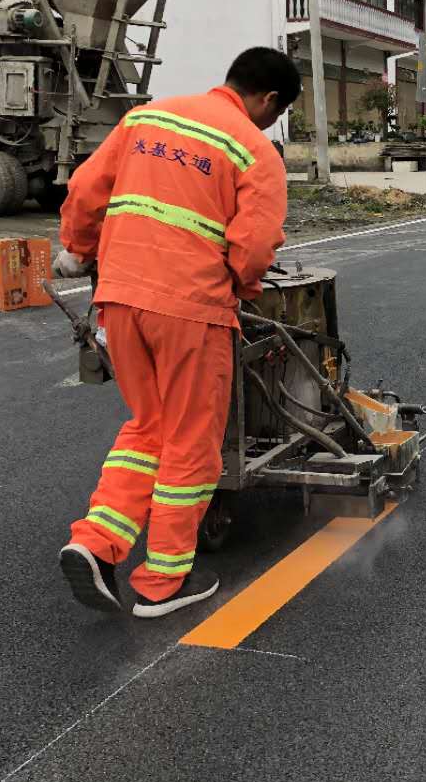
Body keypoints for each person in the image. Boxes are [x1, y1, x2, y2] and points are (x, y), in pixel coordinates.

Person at [53, 47, 300, 619]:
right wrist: (243, 283)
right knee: (192, 443)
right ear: (268, 100)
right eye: (275, 112)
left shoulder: (148, 117)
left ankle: (94, 542)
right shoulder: (256, 149)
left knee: (149, 427)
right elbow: (257, 244)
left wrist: (80, 248)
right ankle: (164, 580)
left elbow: (87, 190)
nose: (270, 121)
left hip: (119, 297)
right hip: (190, 308)